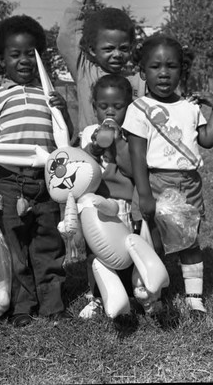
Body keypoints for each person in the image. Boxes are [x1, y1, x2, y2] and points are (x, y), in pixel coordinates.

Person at [0, 15, 74, 327]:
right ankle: (22, 306)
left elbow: (65, 139)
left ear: (40, 56)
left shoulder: (50, 95)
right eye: (14, 54)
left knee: (48, 243)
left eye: (29, 53)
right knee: (17, 247)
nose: (22, 60)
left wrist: (63, 110)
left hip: (46, 181)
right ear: (1, 58)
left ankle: (53, 304)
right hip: (8, 182)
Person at [122, 34, 213, 315]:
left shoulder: (190, 107)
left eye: (172, 66)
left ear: (182, 70)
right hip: (154, 182)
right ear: (143, 72)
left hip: (188, 184)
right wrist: (144, 194)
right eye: (155, 67)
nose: (164, 73)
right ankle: (152, 296)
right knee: (151, 243)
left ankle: (194, 298)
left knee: (189, 241)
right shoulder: (138, 109)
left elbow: (207, 139)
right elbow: (137, 156)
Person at [79, 74, 136, 318]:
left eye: (117, 106)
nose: (109, 112)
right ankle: (97, 297)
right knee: (95, 251)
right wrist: (95, 146)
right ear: (94, 108)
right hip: (96, 205)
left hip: (124, 204)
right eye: (103, 107)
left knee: (126, 247)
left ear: (129, 107)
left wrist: (119, 143)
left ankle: (131, 291)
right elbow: (82, 166)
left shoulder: (131, 134)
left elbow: (132, 169)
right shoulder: (90, 132)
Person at [56, 0, 146, 136]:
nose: (117, 54)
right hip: (91, 153)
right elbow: (67, 38)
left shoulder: (138, 80)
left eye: (124, 48)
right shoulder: (85, 71)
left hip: (126, 155)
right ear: (92, 49)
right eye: (109, 49)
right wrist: (79, 2)